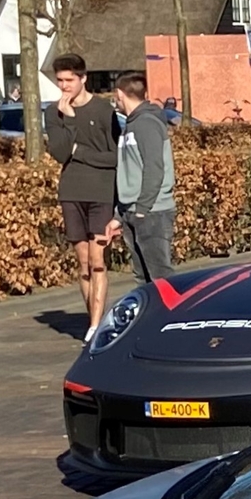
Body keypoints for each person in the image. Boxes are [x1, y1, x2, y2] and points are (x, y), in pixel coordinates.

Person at [44, 52, 118, 339]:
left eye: (69, 80)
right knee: (84, 261)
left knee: (99, 260)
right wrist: (70, 121)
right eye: (60, 80)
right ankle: (93, 320)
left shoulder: (103, 111)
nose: (64, 86)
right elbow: (60, 153)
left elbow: (114, 157)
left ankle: (96, 325)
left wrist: (82, 153)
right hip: (71, 192)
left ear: (83, 78)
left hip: (101, 191)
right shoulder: (53, 113)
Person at [108, 69, 175, 281]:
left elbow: (154, 169)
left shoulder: (146, 124)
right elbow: (132, 172)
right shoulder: (131, 125)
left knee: (160, 278)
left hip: (151, 212)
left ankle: (171, 315)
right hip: (134, 210)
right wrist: (120, 215)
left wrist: (142, 209)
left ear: (119, 94)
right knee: (142, 279)